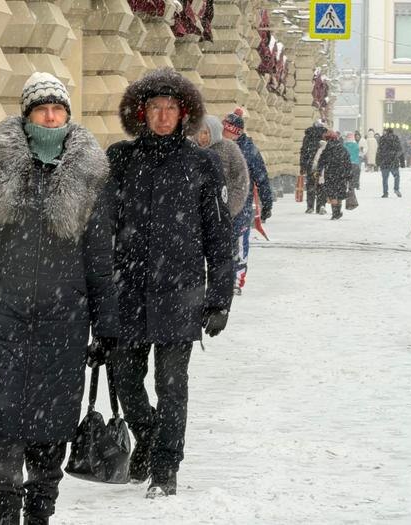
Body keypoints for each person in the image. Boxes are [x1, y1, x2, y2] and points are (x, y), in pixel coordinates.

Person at [0, 72, 119, 525]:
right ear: (27, 116)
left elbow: (99, 255)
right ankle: (6, 510)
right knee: (2, 432)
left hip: (64, 321)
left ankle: (40, 512)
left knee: (50, 432)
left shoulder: (89, 171)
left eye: (58, 109)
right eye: (42, 109)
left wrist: (106, 326)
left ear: (67, 115)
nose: (51, 116)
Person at [103, 68, 234, 498]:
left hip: (181, 294)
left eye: (171, 108)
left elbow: (219, 237)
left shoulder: (202, 164)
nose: (163, 116)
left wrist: (219, 299)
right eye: (156, 108)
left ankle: (165, 467)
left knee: (171, 386)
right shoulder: (121, 160)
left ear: (184, 114)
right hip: (128, 293)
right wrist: (97, 299)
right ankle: (149, 436)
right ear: (141, 113)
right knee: (126, 381)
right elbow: (99, 233)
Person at [222, 108, 274, 293]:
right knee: (221, 244)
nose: (223, 132)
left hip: (241, 205)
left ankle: (236, 280)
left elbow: (262, 178)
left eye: (227, 129)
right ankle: (221, 279)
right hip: (219, 205)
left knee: (239, 243)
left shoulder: (249, 151)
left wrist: (267, 203)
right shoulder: (217, 146)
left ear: (235, 131)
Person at [196, 115, 250, 219]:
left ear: (214, 132)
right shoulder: (192, 149)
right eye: (199, 132)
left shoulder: (229, 149)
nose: (202, 137)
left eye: (206, 133)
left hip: (222, 212)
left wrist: (228, 209)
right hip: (196, 214)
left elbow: (241, 182)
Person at [318, 130, 352, 220]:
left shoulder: (327, 150)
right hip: (341, 175)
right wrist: (349, 174)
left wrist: (319, 172)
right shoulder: (342, 148)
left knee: (332, 194)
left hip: (330, 175)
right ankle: (337, 212)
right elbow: (348, 163)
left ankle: (335, 213)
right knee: (339, 193)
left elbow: (321, 162)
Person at [300, 120, 328, 214]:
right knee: (321, 185)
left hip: (310, 164)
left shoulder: (308, 136)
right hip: (322, 164)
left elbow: (303, 152)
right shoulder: (325, 136)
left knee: (310, 185)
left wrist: (302, 166)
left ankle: (310, 206)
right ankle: (320, 206)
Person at [376, 128, 404, 197]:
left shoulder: (382, 138)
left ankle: (385, 192)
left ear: (386, 132)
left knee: (385, 178)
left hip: (384, 161)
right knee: (396, 176)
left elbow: (379, 151)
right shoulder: (395, 138)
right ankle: (396, 189)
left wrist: (377, 161)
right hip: (393, 161)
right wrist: (402, 161)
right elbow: (400, 151)